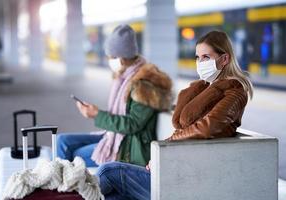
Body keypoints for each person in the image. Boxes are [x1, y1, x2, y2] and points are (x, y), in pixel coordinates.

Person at [96, 30, 254, 200]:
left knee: (107, 172)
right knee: (115, 192)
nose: (200, 62)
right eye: (197, 57)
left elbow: (207, 128)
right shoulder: (204, 88)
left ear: (224, 59)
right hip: (180, 165)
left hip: (195, 176)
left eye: (206, 57)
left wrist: (165, 148)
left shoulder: (235, 91)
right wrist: (161, 155)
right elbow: (187, 127)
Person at [57, 24, 172, 168]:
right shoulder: (124, 77)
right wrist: (96, 113)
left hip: (129, 147)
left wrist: (97, 115)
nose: (108, 60)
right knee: (62, 141)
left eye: (111, 57)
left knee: (75, 155)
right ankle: (62, 182)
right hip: (115, 137)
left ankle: (66, 184)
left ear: (121, 58)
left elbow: (132, 125)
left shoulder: (144, 84)